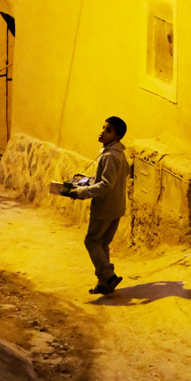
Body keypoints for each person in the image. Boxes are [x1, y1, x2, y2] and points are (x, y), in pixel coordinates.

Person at [68, 116, 129, 294]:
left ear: (117, 137)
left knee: (92, 241)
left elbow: (106, 185)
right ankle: (103, 284)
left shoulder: (110, 156)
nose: (103, 131)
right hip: (116, 207)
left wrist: (81, 193)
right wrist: (87, 181)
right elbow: (108, 179)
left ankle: (109, 275)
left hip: (105, 208)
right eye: (103, 127)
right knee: (102, 244)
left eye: (108, 130)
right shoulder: (118, 154)